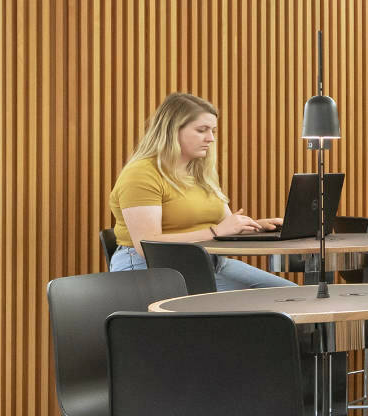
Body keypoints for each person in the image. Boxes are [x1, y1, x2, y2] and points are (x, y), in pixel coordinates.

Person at [106, 92, 293, 290]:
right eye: (202, 130)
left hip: (208, 262)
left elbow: (224, 225)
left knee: (292, 296)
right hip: (154, 268)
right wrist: (216, 231)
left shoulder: (199, 172)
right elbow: (147, 245)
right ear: (172, 130)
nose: (211, 138)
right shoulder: (142, 174)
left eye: (213, 130)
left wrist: (254, 226)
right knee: (268, 306)